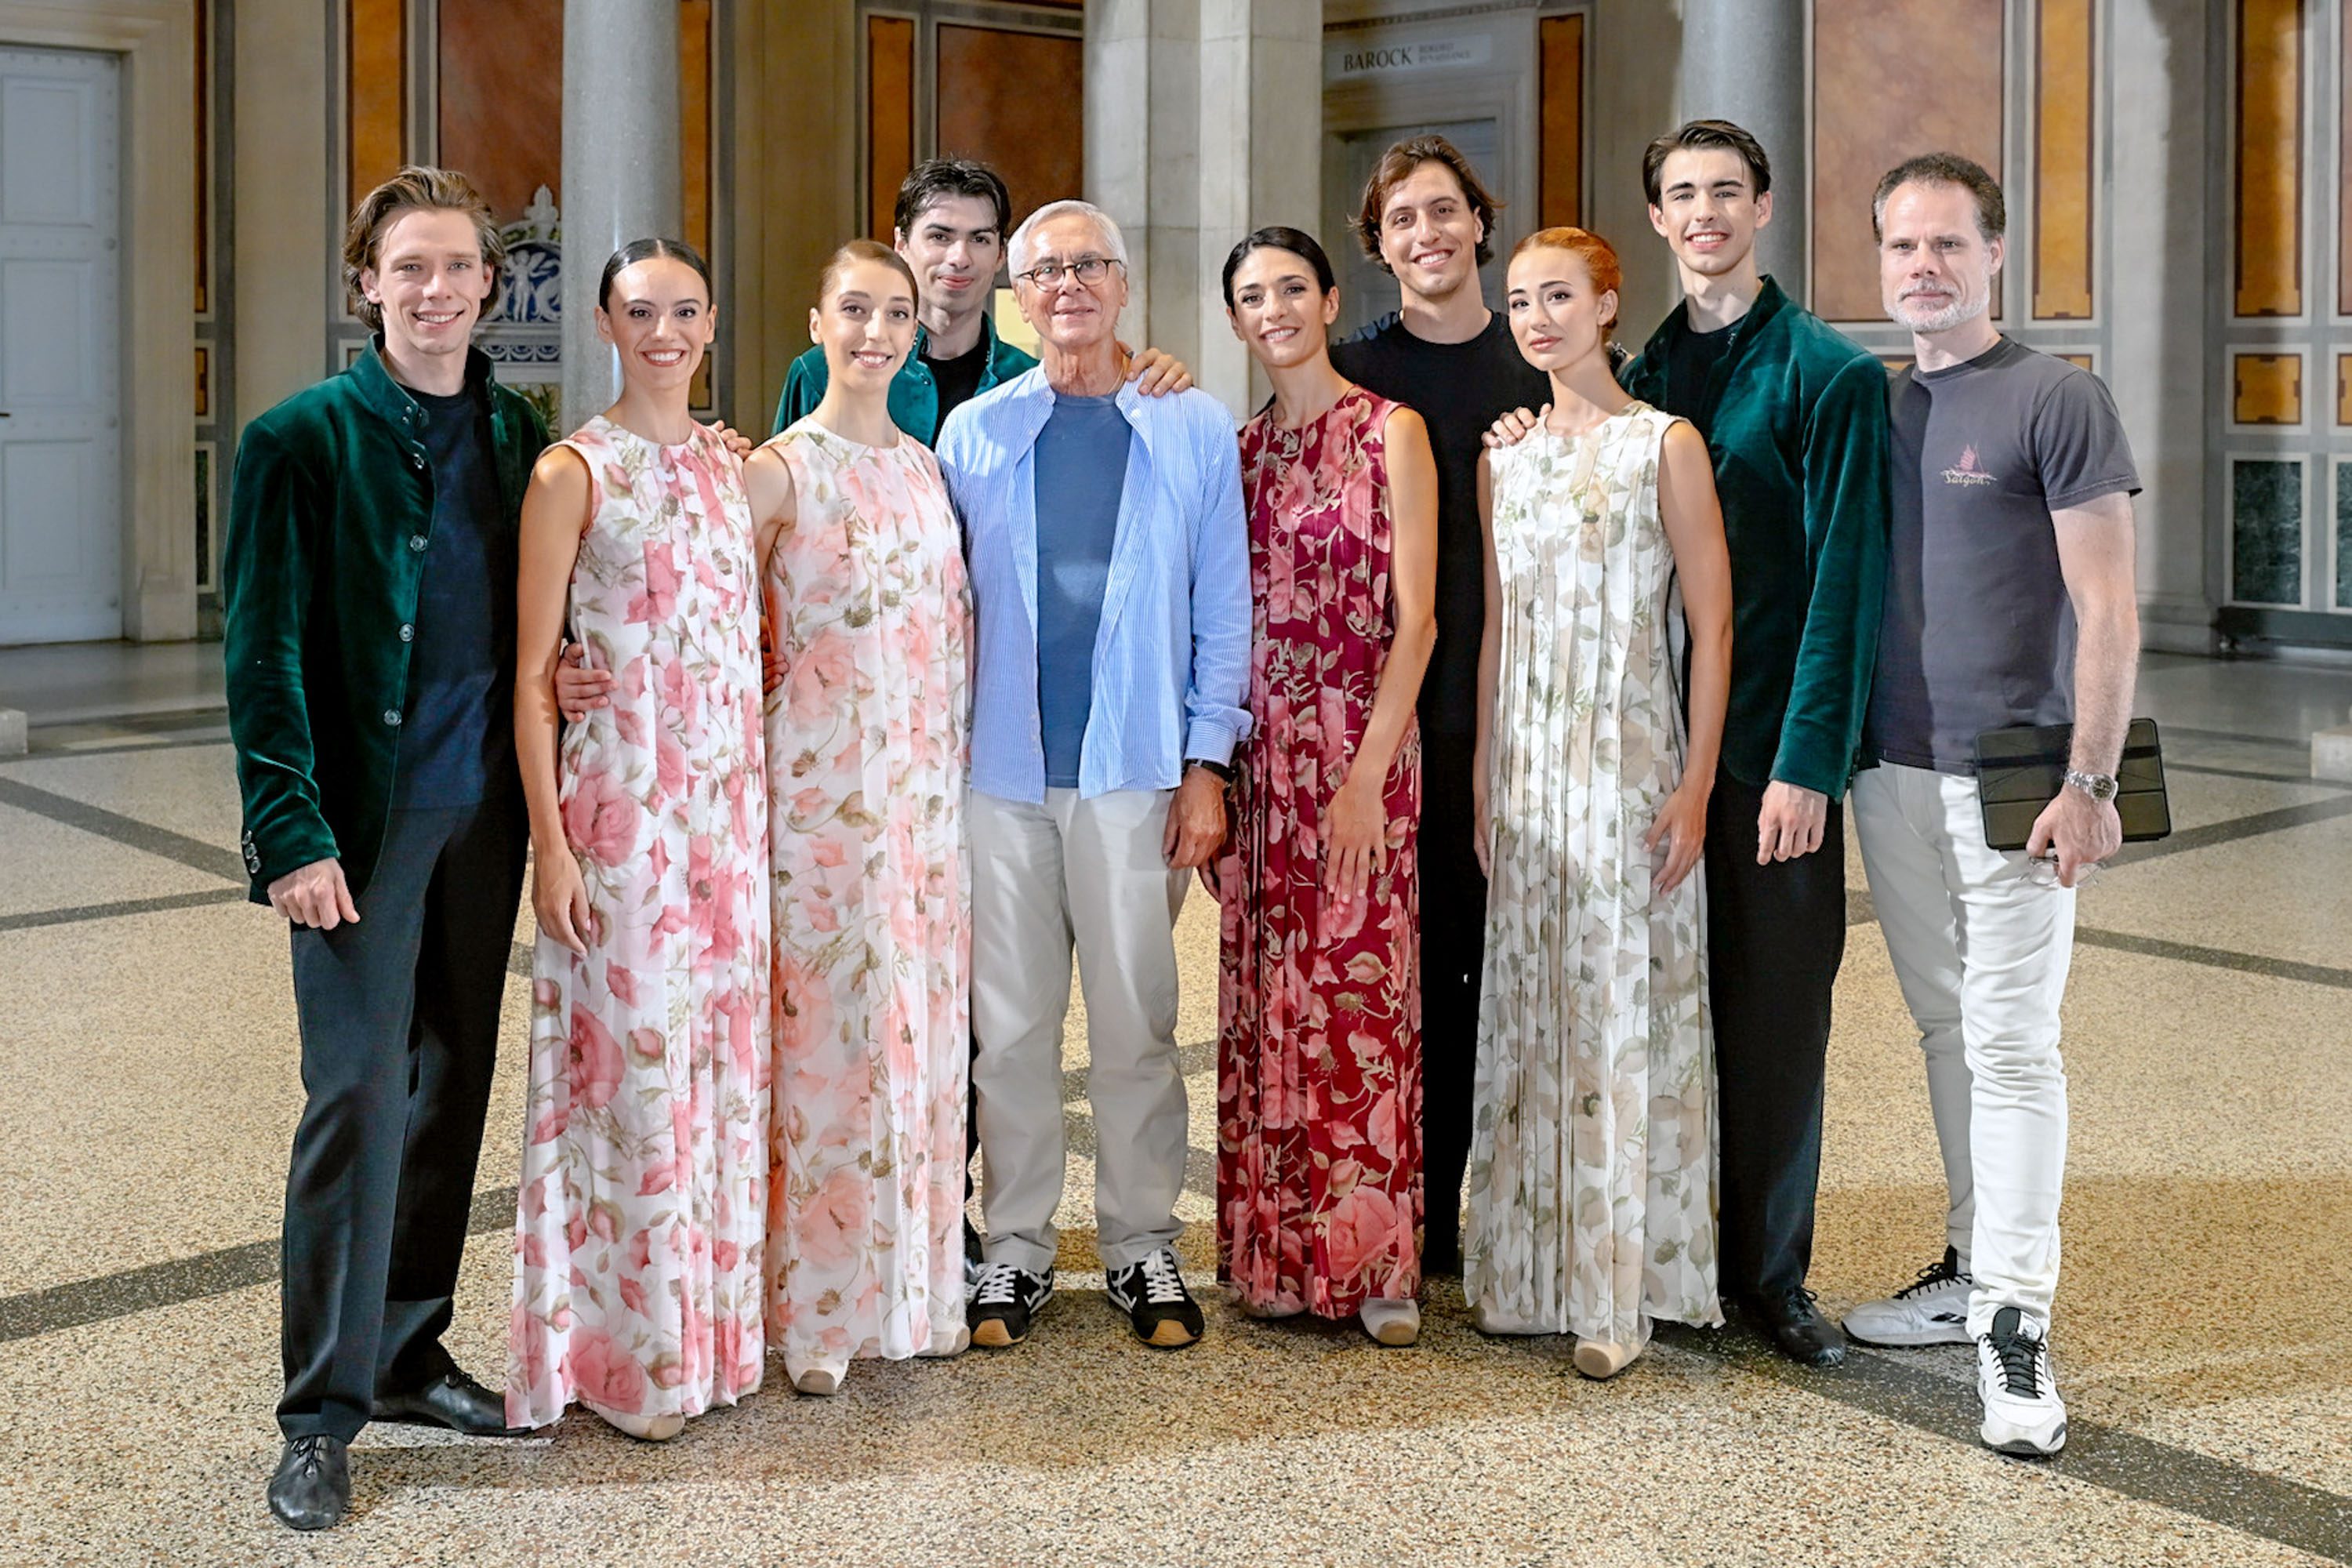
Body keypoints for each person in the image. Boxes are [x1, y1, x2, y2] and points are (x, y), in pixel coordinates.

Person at [1488, 120, 1891, 1366]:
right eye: (1681, 195)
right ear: (1656, 221)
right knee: (1656, 1013)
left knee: (1773, 1018)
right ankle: (1661, 1250)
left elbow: (1845, 588)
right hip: (1624, 757)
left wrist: (1807, 766)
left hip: (1765, 754)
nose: (1705, 212)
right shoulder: (1647, 362)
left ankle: (1769, 1275)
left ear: (1762, 207)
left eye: (1726, 191)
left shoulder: (1827, 373)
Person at [223, 165, 543, 1533]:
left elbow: (529, 610)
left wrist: (566, 678)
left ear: (488, 282)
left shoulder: (522, 430)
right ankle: (319, 1412)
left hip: (489, 815)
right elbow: (262, 655)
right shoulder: (298, 440)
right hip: (359, 830)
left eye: (459, 267)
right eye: (408, 268)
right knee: (354, 1102)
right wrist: (288, 830)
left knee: (448, 1086)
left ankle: (409, 1352)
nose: (436, 290)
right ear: (368, 284)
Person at [1842, 154, 2140, 1459]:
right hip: (1889, 768)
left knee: (2016, 1046)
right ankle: (1970, 1267)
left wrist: (2091, 782)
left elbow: (2112, 608)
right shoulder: (1879, 406)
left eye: (1949, 244)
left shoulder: (2057, 399)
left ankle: (2017, 1329)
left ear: (1996, 254)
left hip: (2019, 774)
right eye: (1903, 247)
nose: (1924, 267)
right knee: (1946, 1031)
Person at [935, 199, 1251, 1351]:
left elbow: (1224, 606)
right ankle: (1014, 1250)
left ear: (1124, 287)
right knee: (1010, 1029)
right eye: (1046, 270)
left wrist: (1206, 761)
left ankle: (1139, 1245)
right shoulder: (976, 431)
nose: (1068, 285)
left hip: (1137, 776)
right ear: (1020, 296)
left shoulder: (1190, 424)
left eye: (1090, 266)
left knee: (1136, 1022)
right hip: (1003, 778)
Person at [506, 238, 772, 1441]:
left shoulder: (732, 468)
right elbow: (528, 676)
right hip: (619, 815)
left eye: (685, 309)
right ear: (606, 326)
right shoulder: (574, 470)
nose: (663, 331)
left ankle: (711, 1342)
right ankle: (625, 1361)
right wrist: (550, 853)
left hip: (724, 817)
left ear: (712, 321)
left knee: (714, 1071)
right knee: (627, 1076)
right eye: (639, 312)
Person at [1465, 226, 1733, 1379]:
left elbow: (1715, 626)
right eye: (1521, 299)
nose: (1537, 318)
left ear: (1610, 305)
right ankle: (1527, 1277)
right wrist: (1483, 771)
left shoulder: (1664, 445)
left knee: (1623, 1019)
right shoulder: (1504, 460)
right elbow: (1495, 632)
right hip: (1529, 779)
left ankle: (1619, 1295)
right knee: (1536, 1015)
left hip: (1629, 770)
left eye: (1560, 295)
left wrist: (1697, 783)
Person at [753, 239, 975, 1394]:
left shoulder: (932, 472)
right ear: (817, 318)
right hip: (817, 815)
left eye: (896, 313)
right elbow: (703, 630)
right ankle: (819, 1310)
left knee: (917, 1046)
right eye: (855, 309)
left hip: (925, 818)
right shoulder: (779, 472)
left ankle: (912, 1289)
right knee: (829, 1049)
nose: (877, 331)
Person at [1212, 227, 1439, 1346]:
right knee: (1273, 1005)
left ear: (1330, 298)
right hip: (1263, 767)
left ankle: (1378, 1265)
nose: (1274, 311)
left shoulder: (1391, 432)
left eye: (1291, 289)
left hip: (1361, 757)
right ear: (1236, 322)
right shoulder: (1238, 452)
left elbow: (1420, 622)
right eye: (1252, 297)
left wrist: (1364, 779)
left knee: (1361, 1007)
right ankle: (1278, 1259)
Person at [1329, 136, 1550, 1277]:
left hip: (1507, 714)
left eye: (1445, 212)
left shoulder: (1541, 361)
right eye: (1404, 219)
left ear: (1480, 220)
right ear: (1378, 245)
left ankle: (1464, 1215)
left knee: (1478, 968)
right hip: (1382, 721)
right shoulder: (1352, 369)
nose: (1428, 234)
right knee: (1394, 974)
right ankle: (1398, 1205)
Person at [771, 158, 1192, 445]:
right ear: (901, 244)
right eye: (940, 236)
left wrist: (1140, 375)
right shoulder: (822, 372)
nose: (960, 257)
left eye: (980, 239)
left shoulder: (1032, 382)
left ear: (1001, 256)